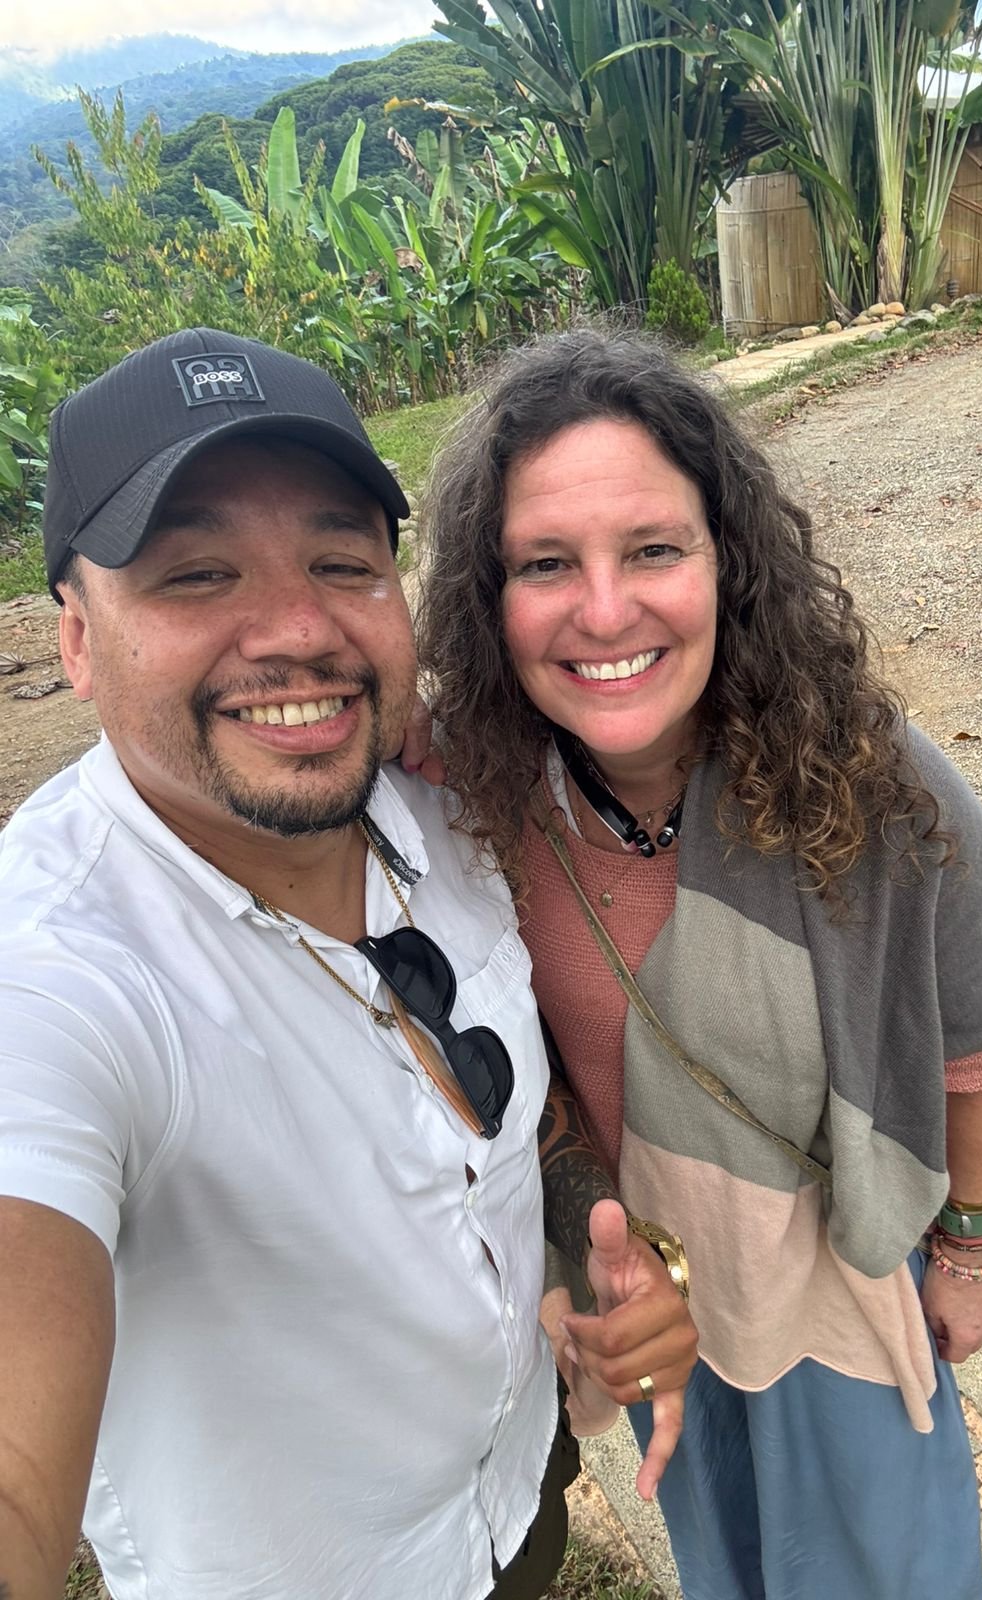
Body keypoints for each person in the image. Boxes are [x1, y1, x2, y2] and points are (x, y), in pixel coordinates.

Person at [0, 328, 697, 1600]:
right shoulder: (56, 973)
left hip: (514, 1501)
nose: (297, 629)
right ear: (78, 639)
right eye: (197, 573)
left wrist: (603, 1245)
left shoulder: (444, 821)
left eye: (340, 561)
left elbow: (513, 1120)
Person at [417, 330, 982, 1600]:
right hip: (663, 1311)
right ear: (491, 599)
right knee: (730, 1568)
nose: (602, 608)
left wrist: (969, 1249)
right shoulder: (478, 804)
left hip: (842, 1303)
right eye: (544, 563)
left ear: (726, 561)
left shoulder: (875, 790)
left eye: (651, 548)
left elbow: (974, 1044)